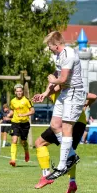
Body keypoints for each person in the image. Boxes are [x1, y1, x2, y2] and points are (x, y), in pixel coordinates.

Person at [34, 31, 85, 181]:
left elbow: (61, 79)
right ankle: (71, 156)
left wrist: (52, 79)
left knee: (66, 127)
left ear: (56, 45)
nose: (48, 48)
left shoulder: (69, 54)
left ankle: (63, 165)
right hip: (65, 92)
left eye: (49, 46)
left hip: (75, 93)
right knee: (55, 125)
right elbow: (57, 81)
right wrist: (45, 93)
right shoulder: (58, 56)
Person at [34, 90, 97, 193]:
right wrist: (87, 104)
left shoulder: (63, 89)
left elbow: (93, 96)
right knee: (69, 152)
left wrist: (43, 95)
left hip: (67, 123)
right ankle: (72, 182)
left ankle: (45, 175)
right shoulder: (71, 89)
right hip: (79, 123)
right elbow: (94, 96)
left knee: (40, 143)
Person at [8, 84, 34, 167]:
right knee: (14, 140)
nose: (19, 93)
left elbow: (32, 111)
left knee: (23, 142)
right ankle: (13, 160)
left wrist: (24, 115)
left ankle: (26, 151)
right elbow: (13, 111)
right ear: (15, 92)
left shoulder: (27, 100)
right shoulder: (12, 101)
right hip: (15, 123)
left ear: (22, 91)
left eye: (20, 91)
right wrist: (8, 115)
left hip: (24, 124)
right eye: (17, 91)